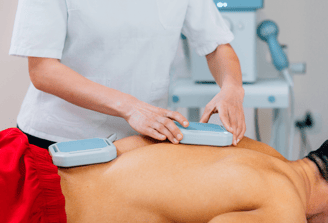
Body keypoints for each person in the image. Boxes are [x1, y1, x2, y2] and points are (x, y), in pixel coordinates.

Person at [9, 0, 246, 149]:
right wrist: (130, 107)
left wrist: (232, 88)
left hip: (141, 140)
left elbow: (216, 46)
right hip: (61, 138)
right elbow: (43, 70)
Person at [58, 135, 328, 223]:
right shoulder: (285, 211)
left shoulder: (257, 149)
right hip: (48, 214)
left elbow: (139, 142)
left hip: (39, 169)